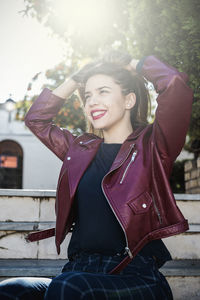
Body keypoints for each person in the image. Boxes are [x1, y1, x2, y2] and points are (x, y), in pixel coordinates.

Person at [0, 51, 193, 300]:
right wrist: (75, 78)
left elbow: (175, 84)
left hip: (134, 275)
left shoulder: (154, 147)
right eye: (88, 95)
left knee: (69, 287)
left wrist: (130, 62)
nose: (91, 101)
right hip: (78, 270)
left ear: (129, 100)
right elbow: (37, 120)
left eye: (103, 92)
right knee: (11, 291)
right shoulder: (79, 150)